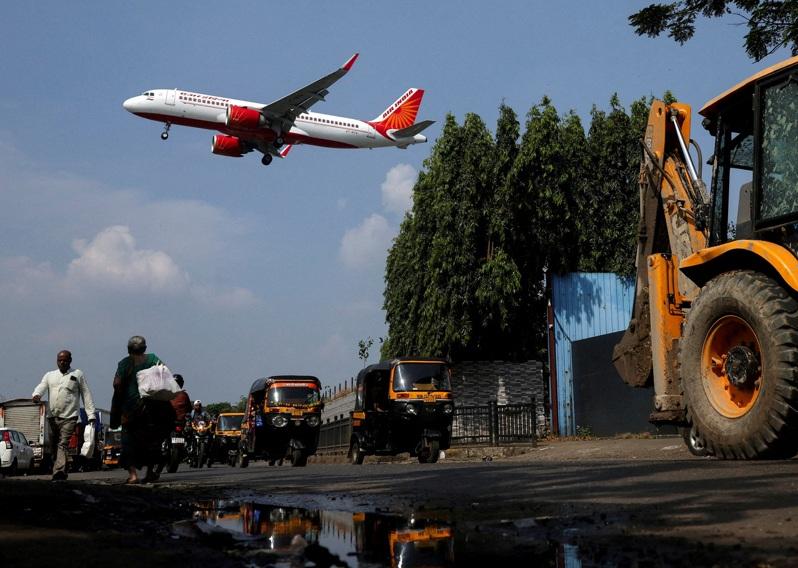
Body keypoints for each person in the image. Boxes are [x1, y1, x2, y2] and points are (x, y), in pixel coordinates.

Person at [110, 335, 173, 484]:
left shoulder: (125, 363)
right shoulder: (153, 359)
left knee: (128, 441)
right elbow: (165, 375)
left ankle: (133, 475)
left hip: (130, 410)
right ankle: (149, 473)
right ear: (145, 348)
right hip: (152, 409)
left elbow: (117, 383)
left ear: (128, 349)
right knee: (151, 442)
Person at [32, 350, 96, 481]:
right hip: (52, 416)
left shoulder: (77, 374)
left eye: (65, 360)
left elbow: (86, 394)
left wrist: (91, 414)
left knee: (63, 443)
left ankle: (59, 471)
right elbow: (42, 386)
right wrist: (36, 395)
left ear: (70, 361)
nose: (62, 362)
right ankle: (62, 469)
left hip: (70, 416)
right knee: (54, 445)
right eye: (59, 360)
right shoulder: (50, 375)